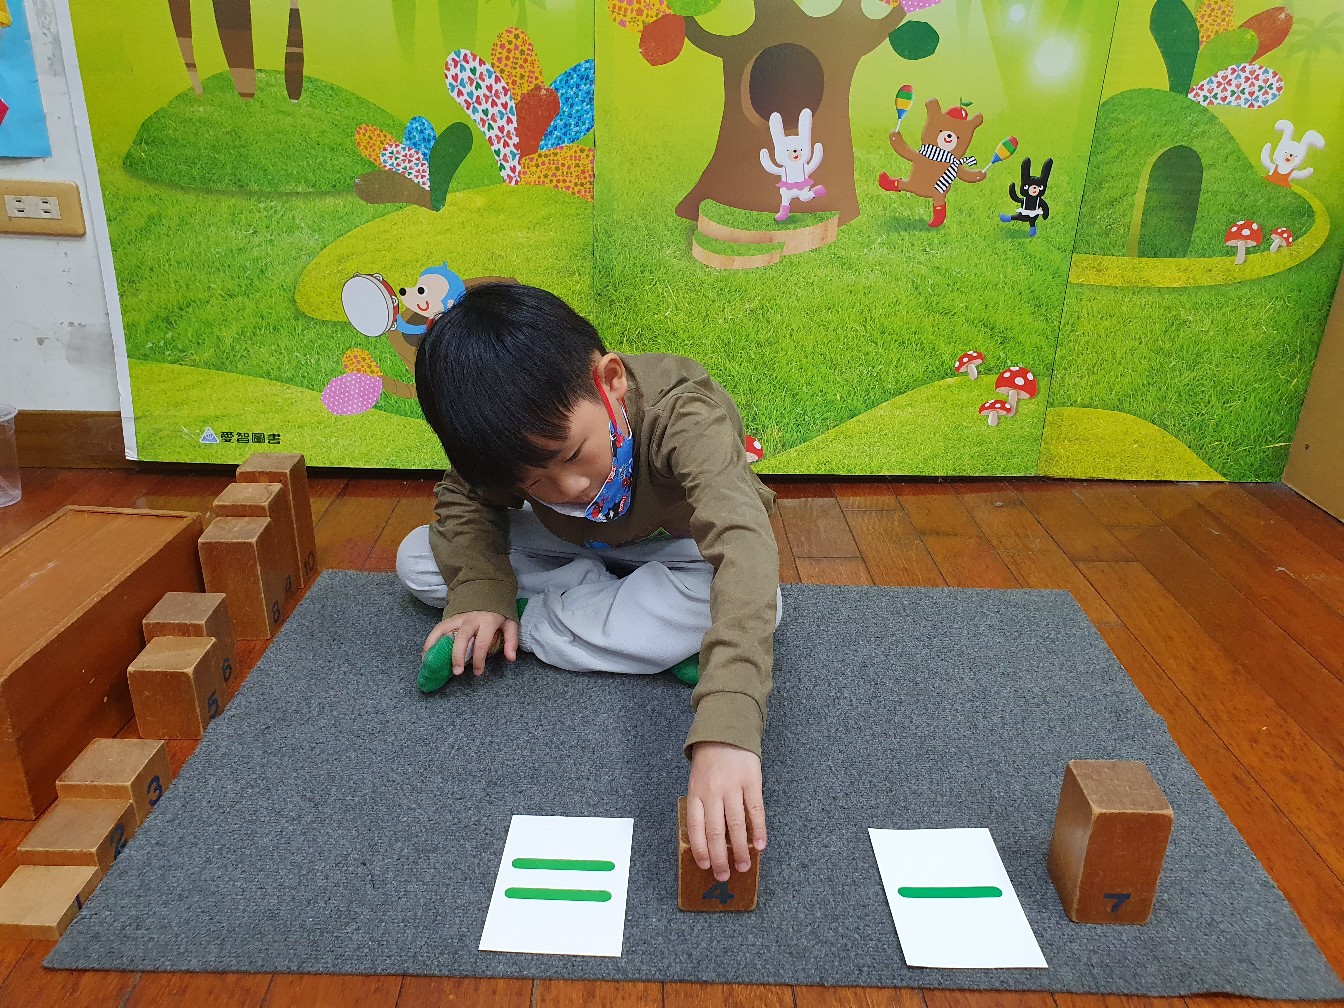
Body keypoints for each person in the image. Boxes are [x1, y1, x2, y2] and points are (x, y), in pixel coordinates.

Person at [396, 282, 781, 883]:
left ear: (611, 381)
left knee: (762, 600)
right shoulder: (508, 446)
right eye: (534, 481)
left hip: (675, 549)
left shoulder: (685, 414)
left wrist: (729, 724)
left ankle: (534, 621)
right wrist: (479, 593)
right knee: (417, 558)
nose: (570, 488)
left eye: (574, 454)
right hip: (576, 548)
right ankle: (634, 632)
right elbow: (463, 499)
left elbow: (743, 542)